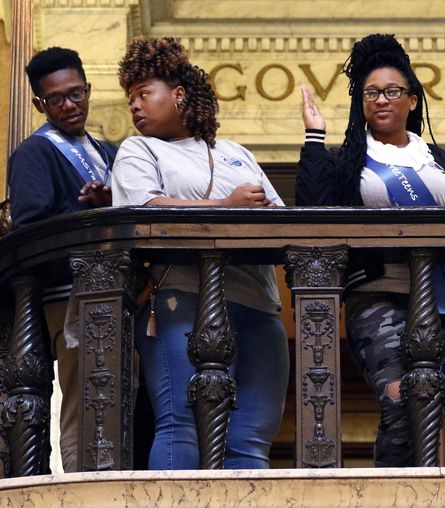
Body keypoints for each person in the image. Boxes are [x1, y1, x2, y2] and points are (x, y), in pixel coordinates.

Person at [296, 33, 445, 466]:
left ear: (412, 100)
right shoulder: (348, 159)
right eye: (371, 93)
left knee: (435, 405)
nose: (381, 100)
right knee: (401, 400)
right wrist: (314, 136)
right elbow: (310, 210)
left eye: (392, 91)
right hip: (378, 297)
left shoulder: (441, 161)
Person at [111, 36, 289, 469]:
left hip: (259, 304)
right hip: (181, 298)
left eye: (143, 94)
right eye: (130, 97)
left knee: (251, 439)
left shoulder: (235, 153)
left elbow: (282, 219)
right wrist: (227, 207)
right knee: (183, 425)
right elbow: (144, 210)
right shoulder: (139, 149)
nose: (134, 105)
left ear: (178, 94)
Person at [7, 47, 116, 473]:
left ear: (88, 88)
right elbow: (31, 230)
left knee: (114, 399)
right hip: (68, 295)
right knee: (86, 401)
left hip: (113, 291)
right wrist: (88, 213)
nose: (71, 105)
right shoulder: (35, 153)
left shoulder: (105, 149)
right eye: (57, 99)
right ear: (39, 103)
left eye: (77, 93)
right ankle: (80, 488)